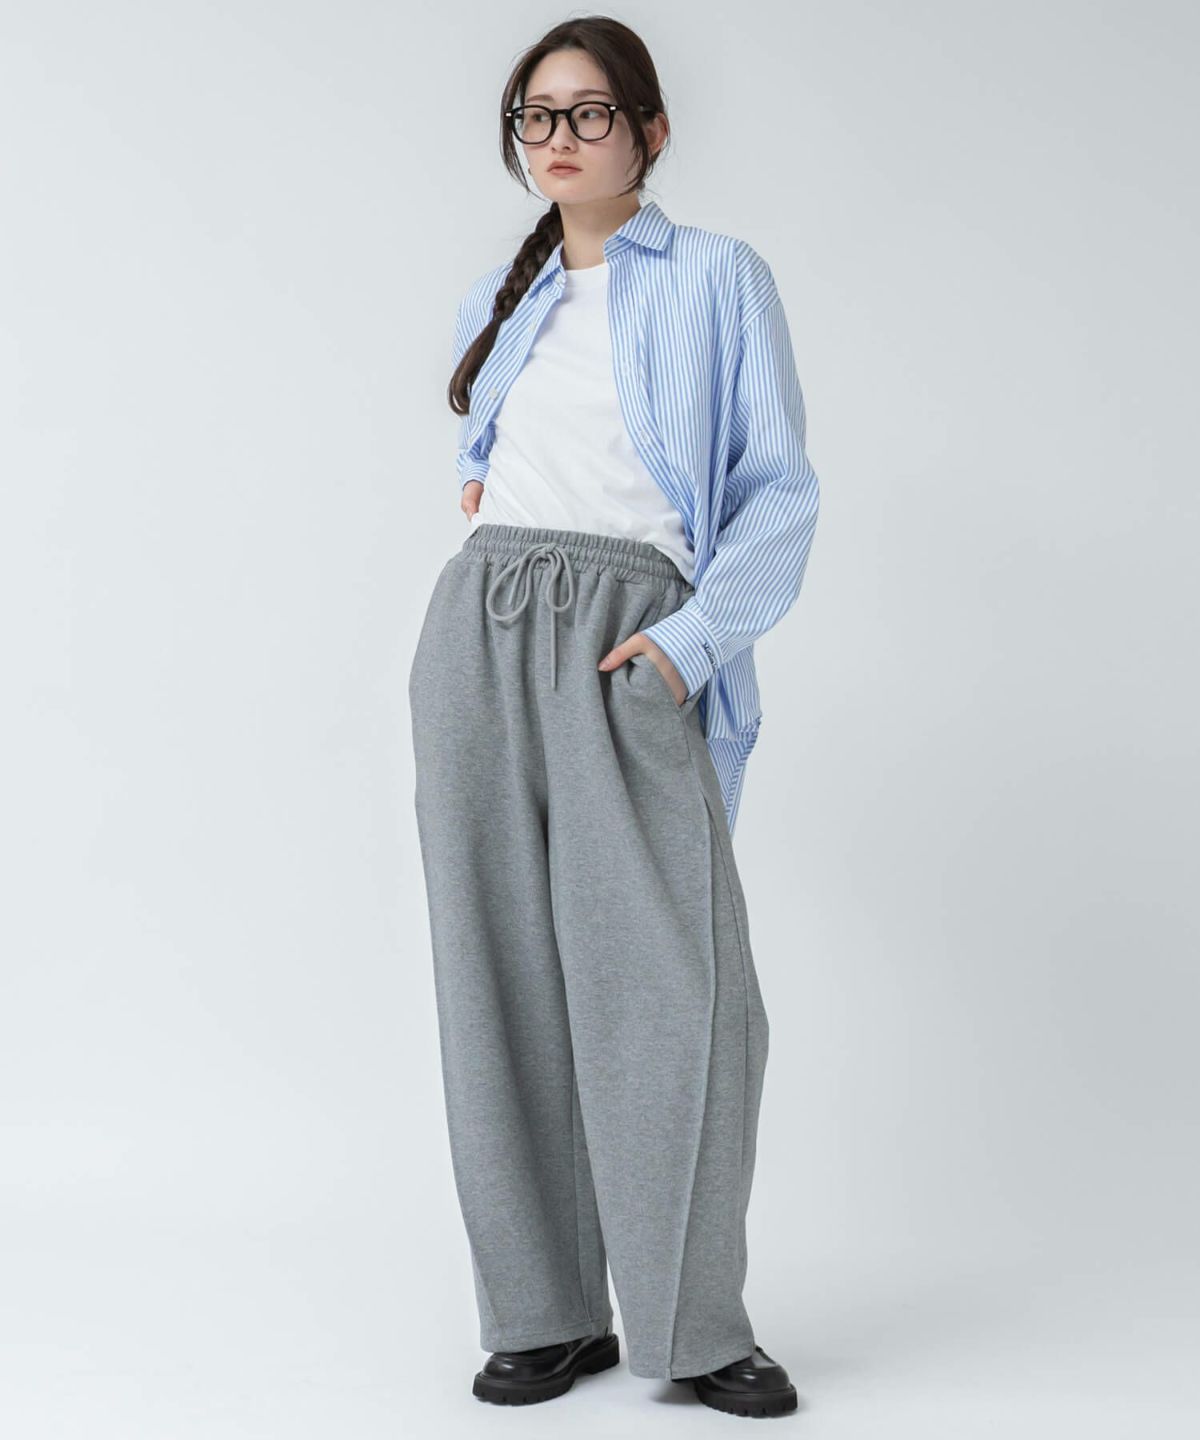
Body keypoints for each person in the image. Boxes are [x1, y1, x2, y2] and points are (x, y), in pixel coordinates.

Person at [408, 14, 819, 1421]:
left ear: (650, 130)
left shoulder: (718, 277)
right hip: (480, 634)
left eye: (589, 112)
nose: (560, 138)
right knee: (498, 977)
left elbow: (777, 489)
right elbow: (499, 466)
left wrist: (686, 650)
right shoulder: (499, 291)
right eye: (536, 117)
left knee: (673, 992)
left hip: (629, 643)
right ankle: (544, 1314)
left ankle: (695, 1326)